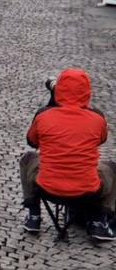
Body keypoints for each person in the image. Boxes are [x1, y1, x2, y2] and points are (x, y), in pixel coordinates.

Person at [19, 69, 116, 241]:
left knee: (28, 159)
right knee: (112, 168)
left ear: (59, 90)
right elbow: (101, 139)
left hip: (47, 188)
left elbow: (32, 142)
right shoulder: (98, 118)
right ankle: (99, 220)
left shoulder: (44, 115)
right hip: (88, 191)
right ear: (87, 92)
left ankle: (33, 215)